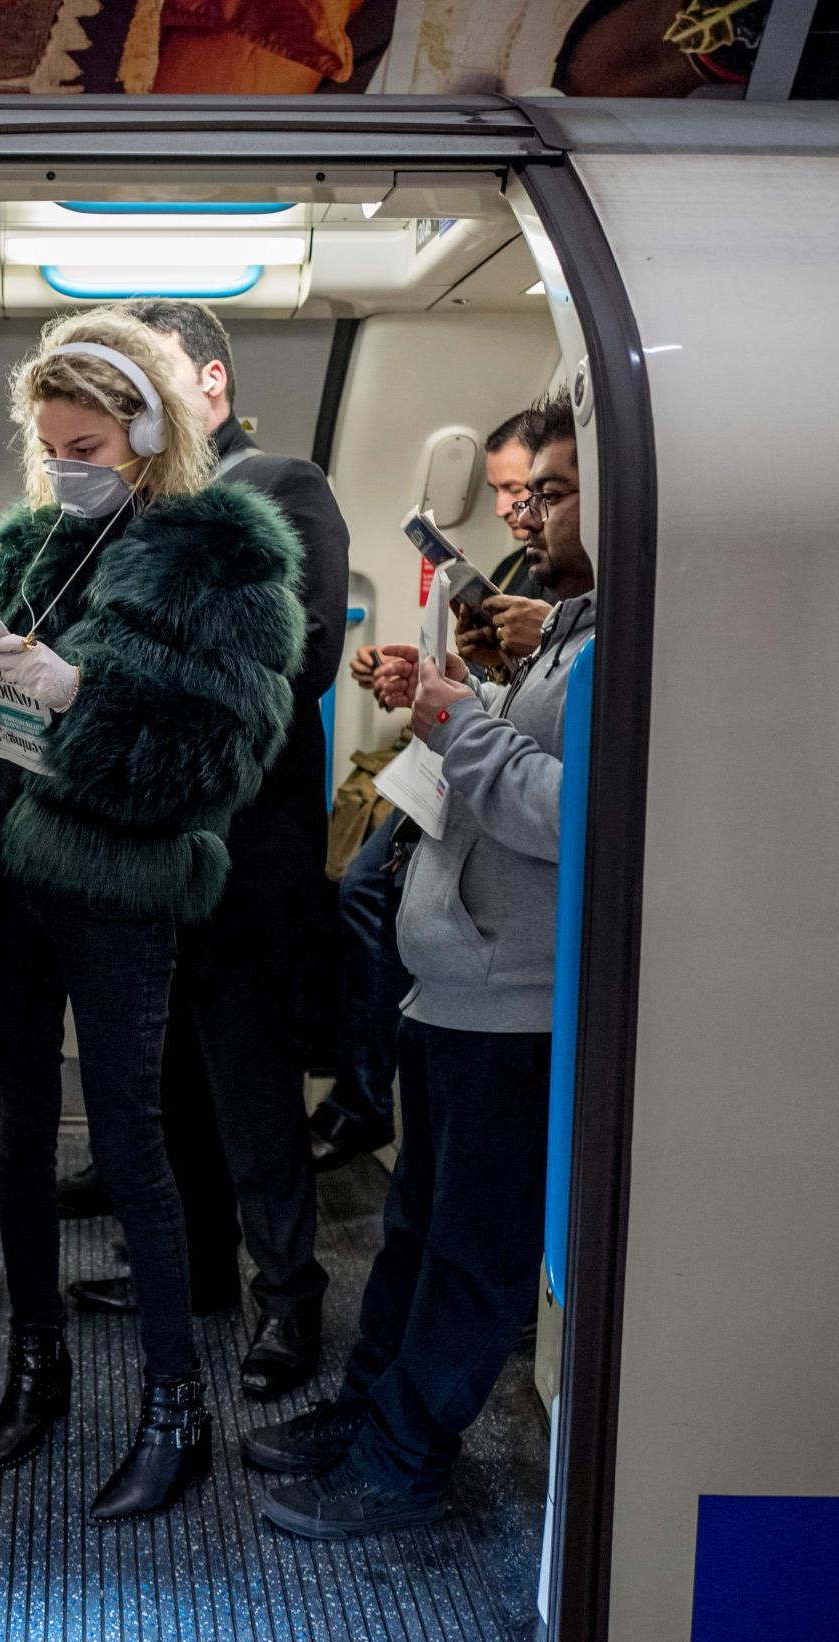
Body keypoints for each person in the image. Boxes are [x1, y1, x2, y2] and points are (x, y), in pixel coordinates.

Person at [0, 308, 305, 1521]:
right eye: (49, 443)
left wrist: (77, 698)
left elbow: (217, 760)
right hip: (11, 881)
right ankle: (34, 1359)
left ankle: (176, 1408)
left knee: (131, 1141)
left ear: (151, 437)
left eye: (88, 445)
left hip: (118, 890)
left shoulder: (219, 560)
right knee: (13, 1132)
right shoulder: (28, 550)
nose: (65, 466)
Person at [248, 392, 597, 1539]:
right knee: (412, 1226)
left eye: (551, 492)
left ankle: (402, 1461)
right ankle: (367, 1411)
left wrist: (457, 720)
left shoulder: (623, 642)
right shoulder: (561, 624)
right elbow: (513, 746)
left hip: (516, 988)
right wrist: (452, 695)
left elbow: (574, 810)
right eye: (521, 494)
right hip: (455, 974)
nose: (528, 516)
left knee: (473, 1250)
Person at [54, 299, 347, 1401]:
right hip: (155, 843)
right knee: (170, 1067)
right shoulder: (133, 512)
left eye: (154, 375)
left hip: (247, 842)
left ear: (206, 384)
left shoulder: (276, 487)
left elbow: (306, 653)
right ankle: (203, 1272)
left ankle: (290, 1293)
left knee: (249, 1075)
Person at [312, 402, 552, 1171]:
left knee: (365, 893)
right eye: (508, 493)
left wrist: (518, 654)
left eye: (531, 493)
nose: (516, 511)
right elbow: (493, 682)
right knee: (358, 890)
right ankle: (363, 1089)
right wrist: (416, 673)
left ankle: (363, 1097)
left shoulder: (572, 594)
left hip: (494, 768)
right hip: (462, 748)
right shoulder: (519, 572)